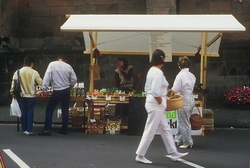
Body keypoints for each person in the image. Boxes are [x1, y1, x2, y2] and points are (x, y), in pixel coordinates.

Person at [135, 49, 188, 164]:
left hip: (153, 103)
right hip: (156, 104)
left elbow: (150, 88)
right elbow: (154, 91)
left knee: (165, 129)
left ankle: (174, 153)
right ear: (162, 59)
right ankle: (140, 154)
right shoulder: (158, 72)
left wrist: (165, 92)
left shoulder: (151, 70)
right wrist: (161, 100)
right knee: (150, 131)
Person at [38, 56, 77, 135]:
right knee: (65, 110)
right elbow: (74, 79)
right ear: (64, 60)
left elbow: (47, 78)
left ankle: (47, 130)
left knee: (49, 109)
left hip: (57, 90)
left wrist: (44, 89)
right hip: (66, 90)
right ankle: (64, 129)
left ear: (58, 59)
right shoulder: (68, 66)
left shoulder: (52, 65)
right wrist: (70, 86)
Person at [10, 56, 43, 135]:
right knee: (30, 112)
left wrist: (13, 93)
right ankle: (29, 130)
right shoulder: (34, 72)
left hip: (21, 95)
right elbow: (41, 83)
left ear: (24, 63)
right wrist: (39, 91)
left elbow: (13, 84)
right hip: (31, 96)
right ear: (31, 64)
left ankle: (24, 129)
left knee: (23, 112)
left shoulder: (18, 72)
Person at [171, 56, 196, 148]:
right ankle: (178, 137)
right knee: (183, 119)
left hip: (183, 99)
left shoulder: (180, 75)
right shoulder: (192, 75)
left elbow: (174, 90)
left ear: (179, 65)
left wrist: (170, 98)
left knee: (184, 121)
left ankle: (187, 142)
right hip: (190, 98)